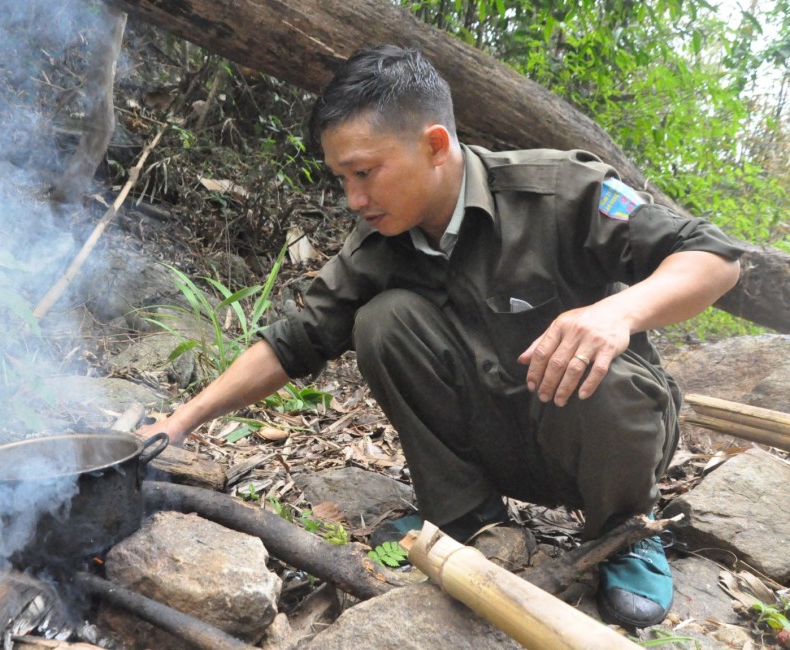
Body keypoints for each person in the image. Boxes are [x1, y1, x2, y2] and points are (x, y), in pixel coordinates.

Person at [143, 44, 743, 629]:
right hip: (500, 444)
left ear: (434, 144)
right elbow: (293, 340)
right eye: (341, 178)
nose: (354, 199)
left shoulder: (556, 190)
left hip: (597, 445)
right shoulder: (378, 246)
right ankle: (467, 519)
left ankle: (621, 536)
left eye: (365, 172)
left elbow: (716, 258)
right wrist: (181, 423)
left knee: (599, 364)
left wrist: (620, 314)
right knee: (384, 320)